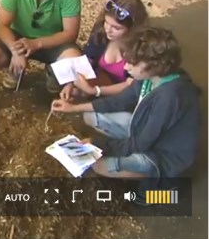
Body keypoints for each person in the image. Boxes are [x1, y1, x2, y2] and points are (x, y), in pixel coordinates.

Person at [52, 26, 201, 182]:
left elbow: (141, 143)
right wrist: (72, 108)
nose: (125, 67)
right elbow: (118, 102)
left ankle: (158, 177)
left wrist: (98, 144)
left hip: (164, 154)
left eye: (132, 63)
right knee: (90, 116)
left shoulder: (169, 97)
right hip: (145, 130)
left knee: (99, 165)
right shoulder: (150, 77)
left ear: (154, 64)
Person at [68, 0, 149, 99]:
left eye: (116, 28)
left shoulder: (141, 49)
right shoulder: (101, 31)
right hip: (100, 81)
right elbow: (89, 58)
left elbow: (132, 86)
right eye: (106, 22)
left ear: (133, 29)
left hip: (124, 96)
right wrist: (71, 82)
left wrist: (95, 91)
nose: (108, 29)